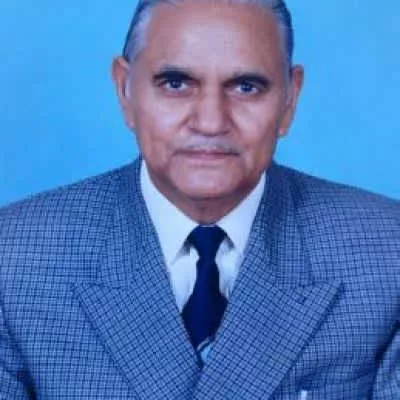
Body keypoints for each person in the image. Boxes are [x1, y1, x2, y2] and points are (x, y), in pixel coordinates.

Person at [0, 0, 399, 398]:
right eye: (176, 83)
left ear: (289, 99)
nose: (210, 122)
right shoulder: (15, 259)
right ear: (125, 89)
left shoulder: (387, 253)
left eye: (246, 87)